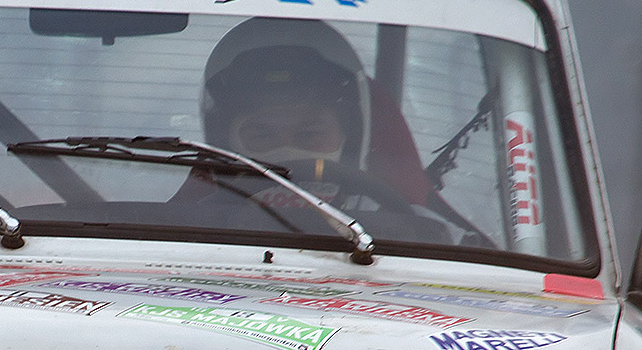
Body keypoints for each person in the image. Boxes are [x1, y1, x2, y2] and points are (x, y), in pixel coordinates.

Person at [189, 17, 451, 242]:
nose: (289, 151)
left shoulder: (422, 234)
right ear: (225, 143)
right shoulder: (184, 229)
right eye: (261, 136)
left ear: (350, 138)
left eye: (309, 135)